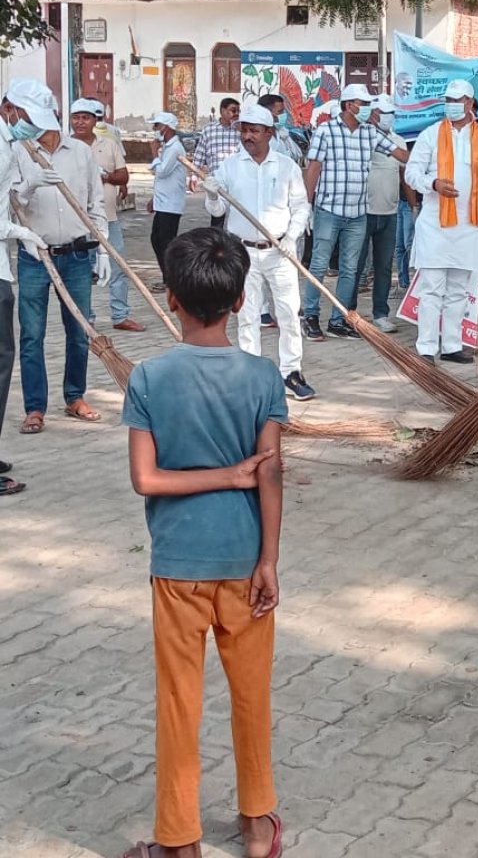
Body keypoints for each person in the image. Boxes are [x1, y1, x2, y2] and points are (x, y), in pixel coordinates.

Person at [118, 227, 285, 858]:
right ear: (242, 301)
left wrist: (214, 476)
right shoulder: (263, 376)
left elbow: (145, 479)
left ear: (170, 300)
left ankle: (178, 841)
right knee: (252, 694)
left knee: (178, 702)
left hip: (177, 566)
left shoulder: (149, 378)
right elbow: (268, 475)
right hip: (245, 561)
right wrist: (269, 559)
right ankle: (258, 822)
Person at [13, 81, 110, 434]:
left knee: (79, 331)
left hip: (75, 255)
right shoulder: (18, 151)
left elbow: (95, 204)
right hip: (34, 255)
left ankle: (75, 396)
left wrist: (101, 247)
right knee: (31, 335)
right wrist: (31, 184)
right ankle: (34, 407)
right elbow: (12, 206)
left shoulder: (81, 153)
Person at [203, 104, 314, 401]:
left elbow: (301, 207)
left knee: (289, 313)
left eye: (254, 130)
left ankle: (291, 372)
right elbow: (217, 210)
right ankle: (249, 375)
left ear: (269, 133)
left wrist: (292, 237)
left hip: (280, 250)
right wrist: (212, 193)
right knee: (247, 315)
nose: (247, 136)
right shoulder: (230, 166)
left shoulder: (286, 165)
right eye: (244, 130)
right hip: (242, 252)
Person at [404, 79, 478, 363]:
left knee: (458, 291)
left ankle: (451, 345)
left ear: (470, 103)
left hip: (470, 225)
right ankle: (426, 347)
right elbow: (411, 173)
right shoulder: (430, 134)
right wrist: (433, 183)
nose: (451, 105)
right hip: (436, 225)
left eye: (457, 100)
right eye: (448, 100)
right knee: (432, 289)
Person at [302, 83, 408, 341]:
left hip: (358, 213)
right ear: (349, 105)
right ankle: (310, 315)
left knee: (350, 270)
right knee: (318, 264)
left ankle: (339, 320)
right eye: (364, 104)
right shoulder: (326, 131)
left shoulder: (369, 134)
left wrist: (430, 155)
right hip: (328, 209)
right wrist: (305, 205)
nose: (368, 109)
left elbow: (401, 155)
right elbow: (314, 168)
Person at [0, 83, 57, 492]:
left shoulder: (8, 147)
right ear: (9, 109)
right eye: (28, 120)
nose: (32, 131)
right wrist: (23, 233)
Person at [70, 98, 144, 333]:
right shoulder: (65, 146)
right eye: (76, 117)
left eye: (85, 117)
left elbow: (123, 176)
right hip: (77, 221)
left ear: (95, 120)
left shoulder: (108, 145)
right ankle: (85, 318)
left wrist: (107, 177)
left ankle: (120, 315)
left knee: (117, 266)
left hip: (108, 218)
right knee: (82, 271)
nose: (80, 122)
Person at [348, 94, 410, 333]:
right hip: (363, 212)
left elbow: (405, 176)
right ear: (374, 114)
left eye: (391, 113)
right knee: (355, 264)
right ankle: (349, 312)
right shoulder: (362, 138)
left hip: (390, 212)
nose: (389, 117)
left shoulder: (399, 142)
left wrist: (411, 204)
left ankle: (381, 314)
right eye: (385, 113)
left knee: (384, 266)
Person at [148, 112, 187, 290]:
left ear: (166, 127)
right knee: (157, 239)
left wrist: (153, 152)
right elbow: (161, 178)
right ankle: (168, 277)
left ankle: (172, 279)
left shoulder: (175, 149)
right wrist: (154, 199)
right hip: (163, 202)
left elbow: (162, 171)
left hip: (171, 204)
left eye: (157, 126)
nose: (154, 130)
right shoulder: (168, 148)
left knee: (166, 241)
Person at [191, 98, 241, 227]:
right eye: (232, 110)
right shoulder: (209, 130)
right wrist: (194, 176)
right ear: (222, 111)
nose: (236, 114)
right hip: (217, 182)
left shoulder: (241, 131)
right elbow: (200, 154)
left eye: (238, 111)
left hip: (238, 181)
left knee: (238, 218)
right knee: (217, 218)